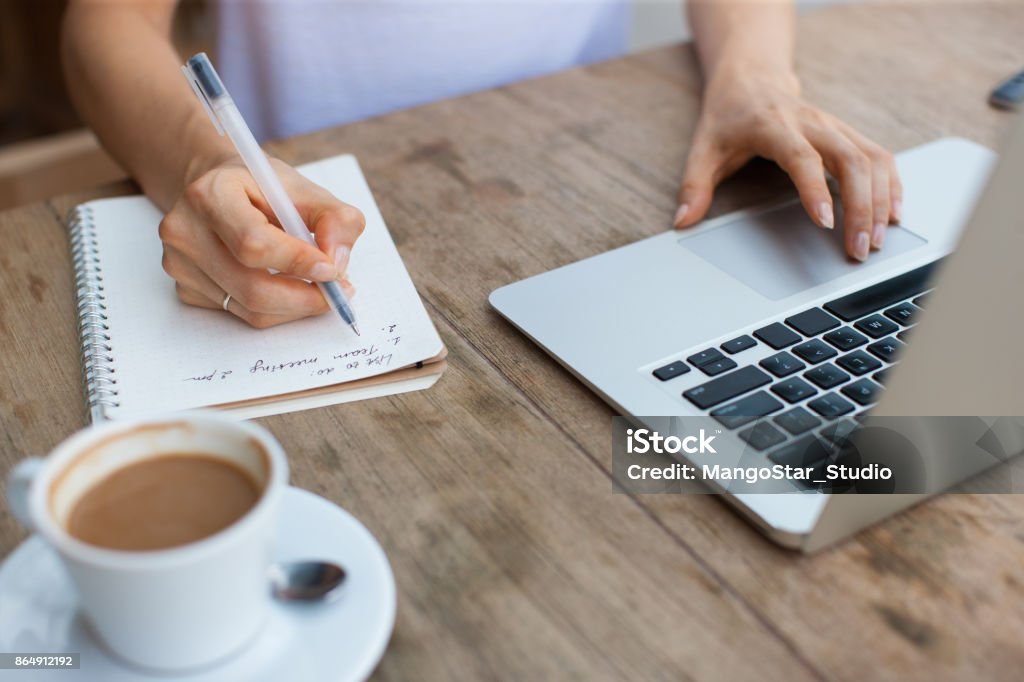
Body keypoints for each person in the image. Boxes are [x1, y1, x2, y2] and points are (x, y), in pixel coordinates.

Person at [62, 0, 900, 329]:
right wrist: (202, 157)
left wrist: (752, 75)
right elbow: (102, 27)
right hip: (307, 192)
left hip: (604, 182)